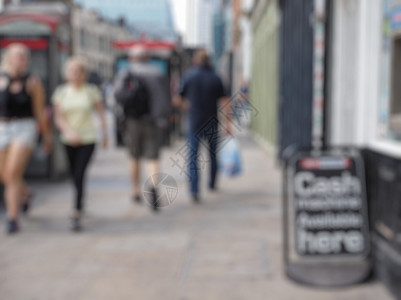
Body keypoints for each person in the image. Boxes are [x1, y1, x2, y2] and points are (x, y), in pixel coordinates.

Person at [0, 43, 52, 234]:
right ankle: (25, 193)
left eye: (23, 58)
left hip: (25, 127)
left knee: (13, 173)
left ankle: (12, 218)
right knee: (4, 175)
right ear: (9, 59)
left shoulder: (33, 81)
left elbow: (40, 112)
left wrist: (47, 137)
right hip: (3, 127)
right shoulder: (1, 79)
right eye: (17, 57)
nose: (21, 61)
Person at [52, 57, 108, 232]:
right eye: (72, 71)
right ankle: (80, 200)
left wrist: (105, 134)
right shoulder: (62, 92)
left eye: (78, 71)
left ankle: (76, 210)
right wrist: (68, 132)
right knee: (72, 173)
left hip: (88, 138)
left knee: (80, 172)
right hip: (69, 139)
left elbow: (101, 114)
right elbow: (58, 117)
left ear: (84, 74)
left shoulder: (91, 91)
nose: (75, 74)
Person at [114, 46, 171, 211]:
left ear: (132, 58)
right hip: (153, 121)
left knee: (134, 156)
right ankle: (153, 189)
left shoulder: (126, 73)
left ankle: (136, 191)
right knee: (152, 157)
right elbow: (165, 99)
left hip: (133, 120)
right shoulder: (157, 74)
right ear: (147, 58)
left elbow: (117, 95)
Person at [177, 49, 232, 203]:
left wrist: (186, 107)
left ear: (196, 61)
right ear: (209, 61)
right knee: (213, 154)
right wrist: (229, 123)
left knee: (193, 155)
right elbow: (225, 101)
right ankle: (212, 183)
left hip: (194, 120)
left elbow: (177, 99)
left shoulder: (189, 76)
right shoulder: (216, 78)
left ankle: (194, 189)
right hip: (212, 121)